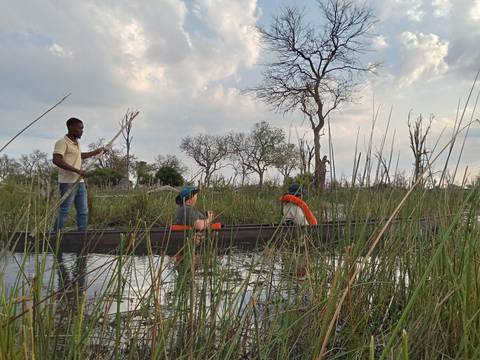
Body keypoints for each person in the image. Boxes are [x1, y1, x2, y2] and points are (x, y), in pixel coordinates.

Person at [52, 117, 107, 232]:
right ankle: (55, 235)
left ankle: (81, 235)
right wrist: (77, 170)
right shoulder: (62, 142)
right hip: (68, 183)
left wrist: (97, 152)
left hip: (79, 182)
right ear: (71, 128)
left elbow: (79, 156)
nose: (82, 131)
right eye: (79, 128)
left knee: (83, 211)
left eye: (82, 129)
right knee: (64, 210)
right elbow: (56, 160)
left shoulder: (76, 143)